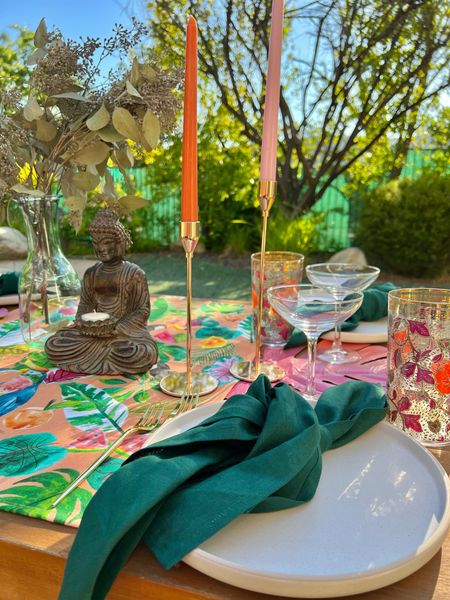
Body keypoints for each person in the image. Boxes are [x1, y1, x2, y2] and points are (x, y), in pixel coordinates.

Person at [45, 210, 158, 374]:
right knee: (54, 344)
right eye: (96, 243)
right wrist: (84, 324)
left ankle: (101, 357)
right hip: (93, 333)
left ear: (119, 243)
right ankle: (102, 358)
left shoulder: (134, 274)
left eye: (106, 242)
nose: (101, 248)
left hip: (124, 335)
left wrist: (117, 328)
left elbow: (142, 310)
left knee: (141, 353)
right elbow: (85, 305)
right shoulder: (91, 273)